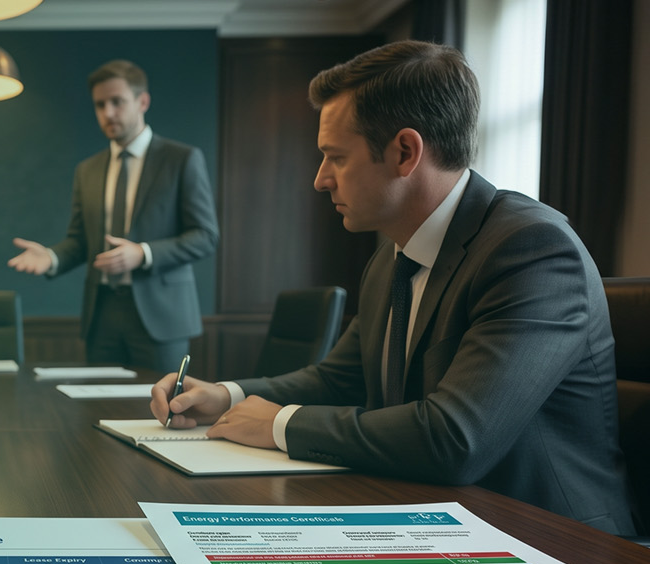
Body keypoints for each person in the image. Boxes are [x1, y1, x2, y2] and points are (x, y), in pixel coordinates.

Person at [150, 41, 633, 535]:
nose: (320, 180)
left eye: (335, 157)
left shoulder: (533, 251)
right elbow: (340, 380)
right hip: (437, 520)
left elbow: (456, 439)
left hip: (555, 542)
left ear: (405, 152)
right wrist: (226, 397)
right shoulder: (391, 257)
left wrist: (281, 426)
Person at [8, 60, 218, 374]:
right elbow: (80, 242)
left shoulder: (182, 159)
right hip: (101, 314)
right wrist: (51, 258)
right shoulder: (87, 170)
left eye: (117, 102)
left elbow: (205, 235)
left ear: (142, 101)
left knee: (160, 413)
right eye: (100, 104)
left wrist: (143, 253)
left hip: (161, 317)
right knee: (96, 412)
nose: (107, 113)